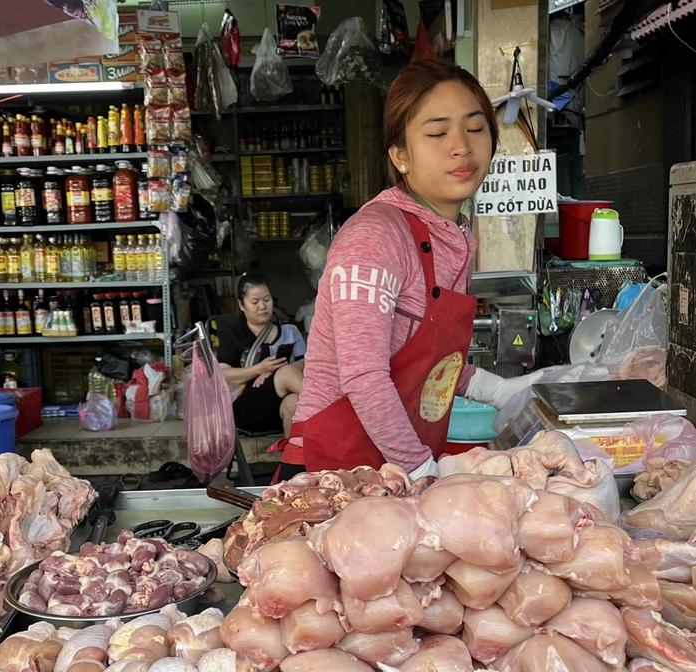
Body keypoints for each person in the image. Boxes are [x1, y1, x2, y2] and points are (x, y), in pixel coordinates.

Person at [280, 60, 539, 480]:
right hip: (338, 476)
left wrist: (498, 391)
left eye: (475, 128)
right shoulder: (375, 237)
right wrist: (421, 471)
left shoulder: (451, 235)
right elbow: (364, 376)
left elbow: (427, 362)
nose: (461, 147)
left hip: (394, 472)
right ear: (400, 155)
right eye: (437, 133)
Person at [215, 272, 306, 437]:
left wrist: (274, 372)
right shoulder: (233, 333)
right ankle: (335, 409)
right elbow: (223, 375)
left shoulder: (288, 330)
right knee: (285, 374)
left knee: (294, 403)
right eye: (255, 302)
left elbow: (306, 363)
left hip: (278, 406)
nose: (263, 306)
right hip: (246, 409)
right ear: (242, 305)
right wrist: (259, 369)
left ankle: (293, 460)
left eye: (267, 300)